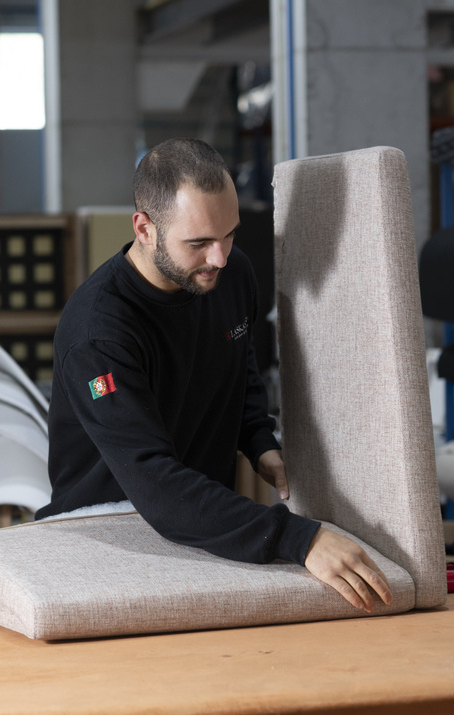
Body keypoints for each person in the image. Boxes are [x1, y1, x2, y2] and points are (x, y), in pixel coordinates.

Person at [36, 138, 392, 611]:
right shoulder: (99, 334)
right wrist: (301, 540)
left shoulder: (230, 273)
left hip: (200, 514)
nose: (219, 257)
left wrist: (258, 438)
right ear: (144, 228)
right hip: (111, 523)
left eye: (230, 235)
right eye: (199, 242)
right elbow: (154, 482)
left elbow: (236, 357)